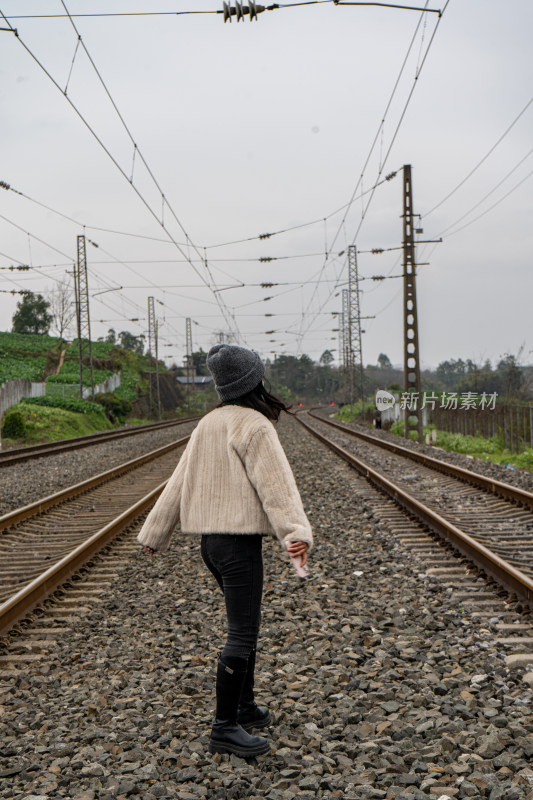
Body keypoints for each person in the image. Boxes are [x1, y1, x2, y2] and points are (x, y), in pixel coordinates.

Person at [137, 343, 313, 758]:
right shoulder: (254, 425)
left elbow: (178, 481)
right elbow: (277, 489)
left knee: (244, 623)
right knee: (243, 631)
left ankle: (245, 707)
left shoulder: (208, 423)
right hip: (237, 546)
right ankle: (224, 727)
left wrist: (155, 533)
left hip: (210, 546)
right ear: (255, 380)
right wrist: (295, 534)